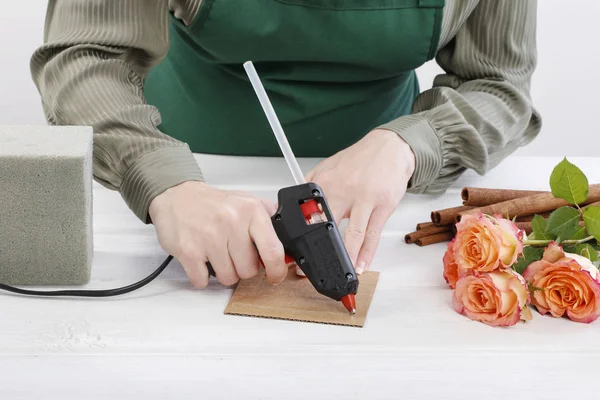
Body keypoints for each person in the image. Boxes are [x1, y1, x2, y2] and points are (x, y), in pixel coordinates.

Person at [30, 0, 541, 289]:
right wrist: (160, 178)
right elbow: (85, 56)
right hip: (183, 183)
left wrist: (410, 144)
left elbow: (499, 85)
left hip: (391, 196)